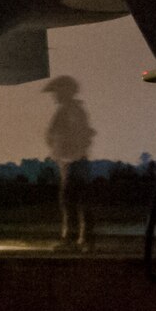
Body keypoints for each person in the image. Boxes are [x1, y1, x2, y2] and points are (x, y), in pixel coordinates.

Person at [44, 75, 95, 250]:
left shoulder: (71, 111)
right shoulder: (68, 110)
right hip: (69, 161)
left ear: (66, 91)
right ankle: (80, 238)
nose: (54, 96)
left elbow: (77, 135)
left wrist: (66, 149)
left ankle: (76, 239)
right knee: (73, 200)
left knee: (73, 200)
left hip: (74, 161)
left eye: (57, 91)